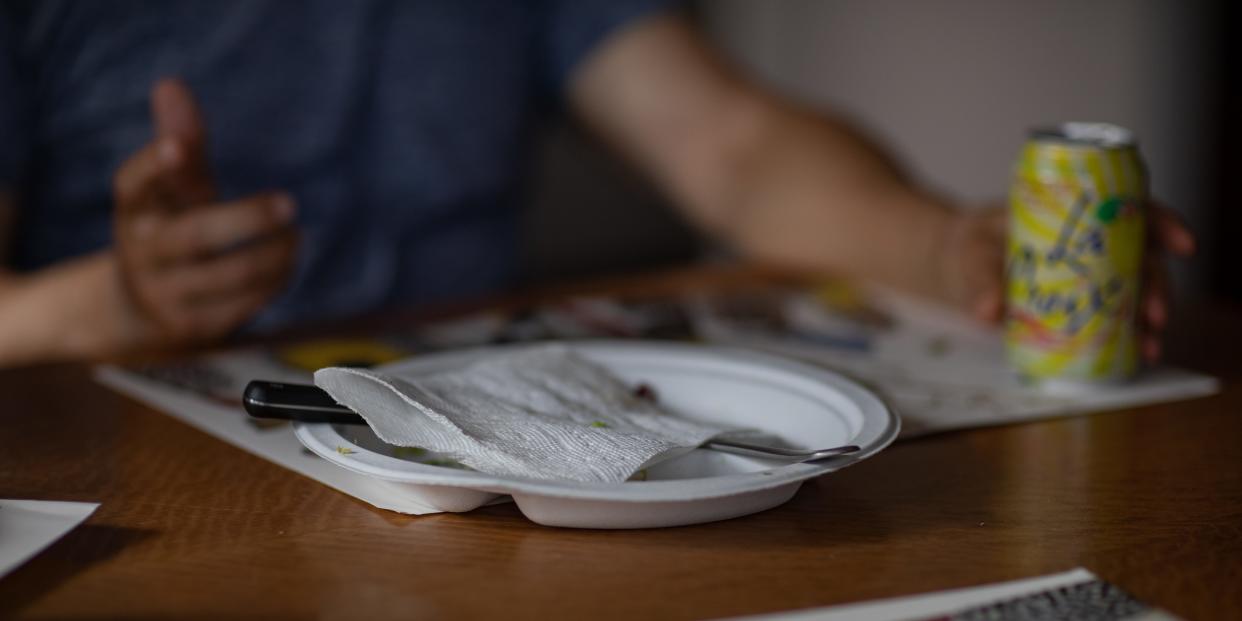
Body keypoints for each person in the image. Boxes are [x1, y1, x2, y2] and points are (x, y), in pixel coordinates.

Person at [0, 1, 1193, 367]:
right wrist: (114, 303)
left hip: (494, 471)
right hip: (137, 463)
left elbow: (727, 144)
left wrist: (947, 245)